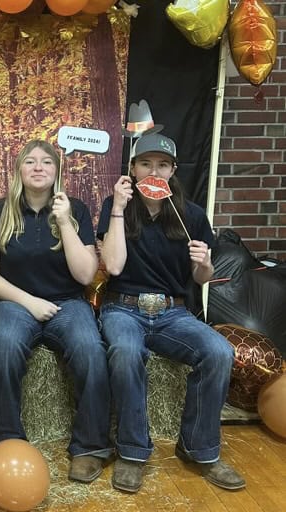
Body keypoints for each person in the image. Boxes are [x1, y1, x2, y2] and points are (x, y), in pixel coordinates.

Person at [98, 132, 245, 493]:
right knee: (126, 351)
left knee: (219, 351)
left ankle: (200, 448)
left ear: (173, 171)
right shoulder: (113, 206)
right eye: (145, 163)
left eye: (162, 165)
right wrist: (118, 206)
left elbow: (201, 278)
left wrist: (205, 264)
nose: (154, 171)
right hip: (122, 308)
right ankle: (133, 452)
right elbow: (112, 267)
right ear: (132, 169)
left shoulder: (191, 215)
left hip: (172, 314)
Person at [0, 139, 113, 483]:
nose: (38, 167)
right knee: (4, 349)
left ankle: (90, 447)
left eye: (46, 162)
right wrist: (29, 303)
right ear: (19, 171)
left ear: (57, 171)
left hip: (68, 302)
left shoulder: (76, 209)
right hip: (15, 302)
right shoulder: (0, 211)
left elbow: (84, 274)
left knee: (91, 351)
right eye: (30, 162)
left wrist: (65, 222)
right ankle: (6, 440)